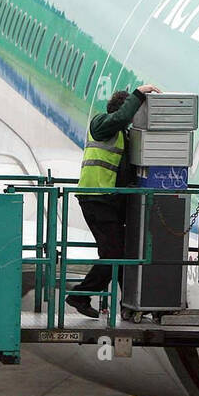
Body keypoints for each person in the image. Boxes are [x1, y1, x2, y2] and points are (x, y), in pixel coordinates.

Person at [67, 83, 160, 318]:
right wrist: (140, 93)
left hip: (109, 202)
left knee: (120, 254)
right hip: (95, 199)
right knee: (114, 255)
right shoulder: (101, 125)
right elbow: (120, 118)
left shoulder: (122, 136)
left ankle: (129, 304)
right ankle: (80, 295)